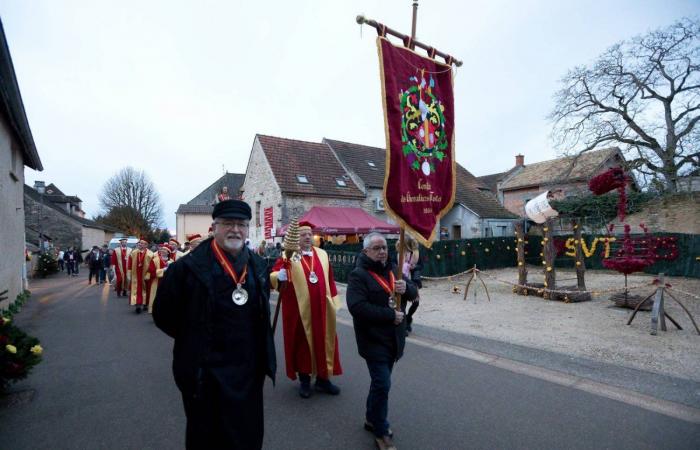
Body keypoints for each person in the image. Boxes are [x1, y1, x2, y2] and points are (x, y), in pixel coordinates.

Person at [153, 199, 276, 449]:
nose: (235, 230)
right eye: (228, 223)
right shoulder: (185, 269)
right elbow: (163, 315)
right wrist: (193, 337)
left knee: (246, 434)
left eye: (241, 224)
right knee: (207, 437)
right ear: (214, 227)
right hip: (205, 372)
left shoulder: (258, 266)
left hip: (247, 372)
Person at [346, 232, 418, 450]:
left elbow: (414, 294)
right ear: (366, 251)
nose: (382, 251)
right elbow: (356, 307)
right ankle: (381, 430)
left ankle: (371, 418)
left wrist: (407, 288)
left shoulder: (394, 270)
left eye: (384, 247)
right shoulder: (358, 275)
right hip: (372, 340)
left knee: (379, 383)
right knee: (383, 383)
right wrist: (389, 316)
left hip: (394, 341)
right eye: (377, 248)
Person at [270, 221, 342, 399]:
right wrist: (278, 276)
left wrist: (334, 301)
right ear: (296, 238)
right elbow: (276, 274)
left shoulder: (322, 254)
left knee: (325, 341)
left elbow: (330, 279)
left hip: (323, 308)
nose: (308, 237)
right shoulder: (290, 256)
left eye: (310, 233)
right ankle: (304, 379)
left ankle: (323, 379)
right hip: (300, 310)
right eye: (303, 234)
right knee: (303, 344)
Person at [395, 236, 422, 335]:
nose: (398, 243)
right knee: (403, 304)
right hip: (401, 281)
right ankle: (405, 326)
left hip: (413, 281)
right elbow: (395, 267)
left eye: (401, 242)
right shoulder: (398, 254)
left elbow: (421, 266)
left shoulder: (415, 254)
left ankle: (408, 317)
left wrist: (413, 267)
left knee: (416, 303)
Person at [127, 238, 153, 314]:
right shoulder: (133, 253)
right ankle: (137, 305)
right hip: (136, 275)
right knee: (137, 290)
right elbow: (130, 263)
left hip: (145, 275)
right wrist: (129, 273)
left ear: (146, 245)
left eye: (142, 243)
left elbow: (152, 265)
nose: (140, 244)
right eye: (140, 243)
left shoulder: (151, 254)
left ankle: (145, 304)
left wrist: (149, 274)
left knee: (146, 290)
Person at [145, 245, 170, 314]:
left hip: (168, 283)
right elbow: (152, 271)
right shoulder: (155, 260)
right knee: (156, 297)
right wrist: (163, 270)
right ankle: (155, 311)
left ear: (168, 252)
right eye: (162, 250)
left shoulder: (171, 261)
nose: (162, 251)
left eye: (164, 250)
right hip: (156, 282)